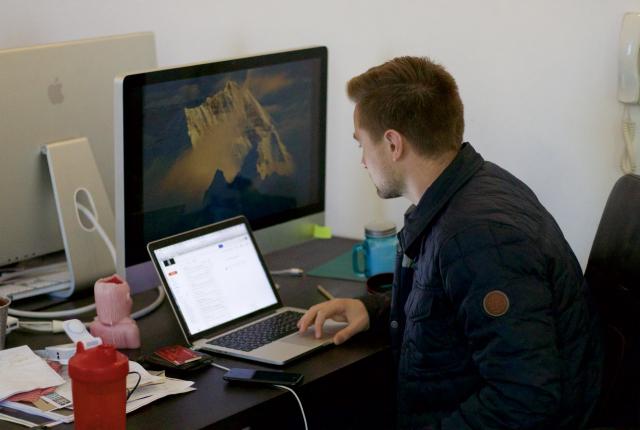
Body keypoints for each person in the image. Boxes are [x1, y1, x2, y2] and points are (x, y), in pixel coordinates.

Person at [297, 56, 603, 429]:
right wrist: (373, 312)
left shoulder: (480, 239)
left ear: (393, 144)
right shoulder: (475, 187)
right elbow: (448, 306)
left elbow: (524, 398)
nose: (362, 160)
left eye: (361, 143)